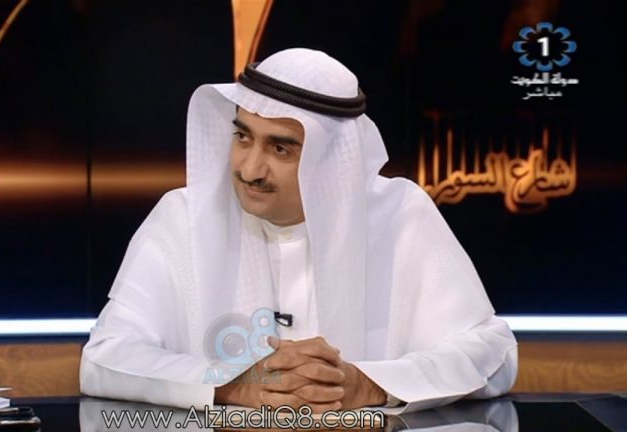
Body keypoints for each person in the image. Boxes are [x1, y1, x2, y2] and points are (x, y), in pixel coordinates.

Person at [80, 48, 517, 414]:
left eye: (281, 149)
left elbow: (493, 354)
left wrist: (368, 384)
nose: (250, 170)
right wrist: (231, 383)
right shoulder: (183, 217)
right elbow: (105, 358)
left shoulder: (400, 215)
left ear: (333, 159)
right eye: (243, 137)